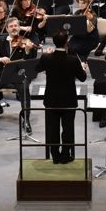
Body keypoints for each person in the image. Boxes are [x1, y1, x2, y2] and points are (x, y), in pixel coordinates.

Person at [36, 32, 87, 164]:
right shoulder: (73, 60)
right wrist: (83, 68)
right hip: (69, 99)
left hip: (51, 99)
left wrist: (44, 55)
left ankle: (55, 156)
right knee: (68, 128)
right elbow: (82, 78)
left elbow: (37, 69)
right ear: (66, 43)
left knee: (53, 128)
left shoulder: (46, 58)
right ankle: (65, 155)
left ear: (54, 42)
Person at [0, 17, 40, 130]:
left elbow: (31, 60)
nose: (14, 28)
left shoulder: (26, 41)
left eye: (16, 26)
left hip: (19, 75)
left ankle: (26, 119)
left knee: (24, 90)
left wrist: (27, 51)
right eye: (11, 26)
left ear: (19, 27)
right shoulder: (2, 40)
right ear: (7, 29)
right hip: (2, 74)